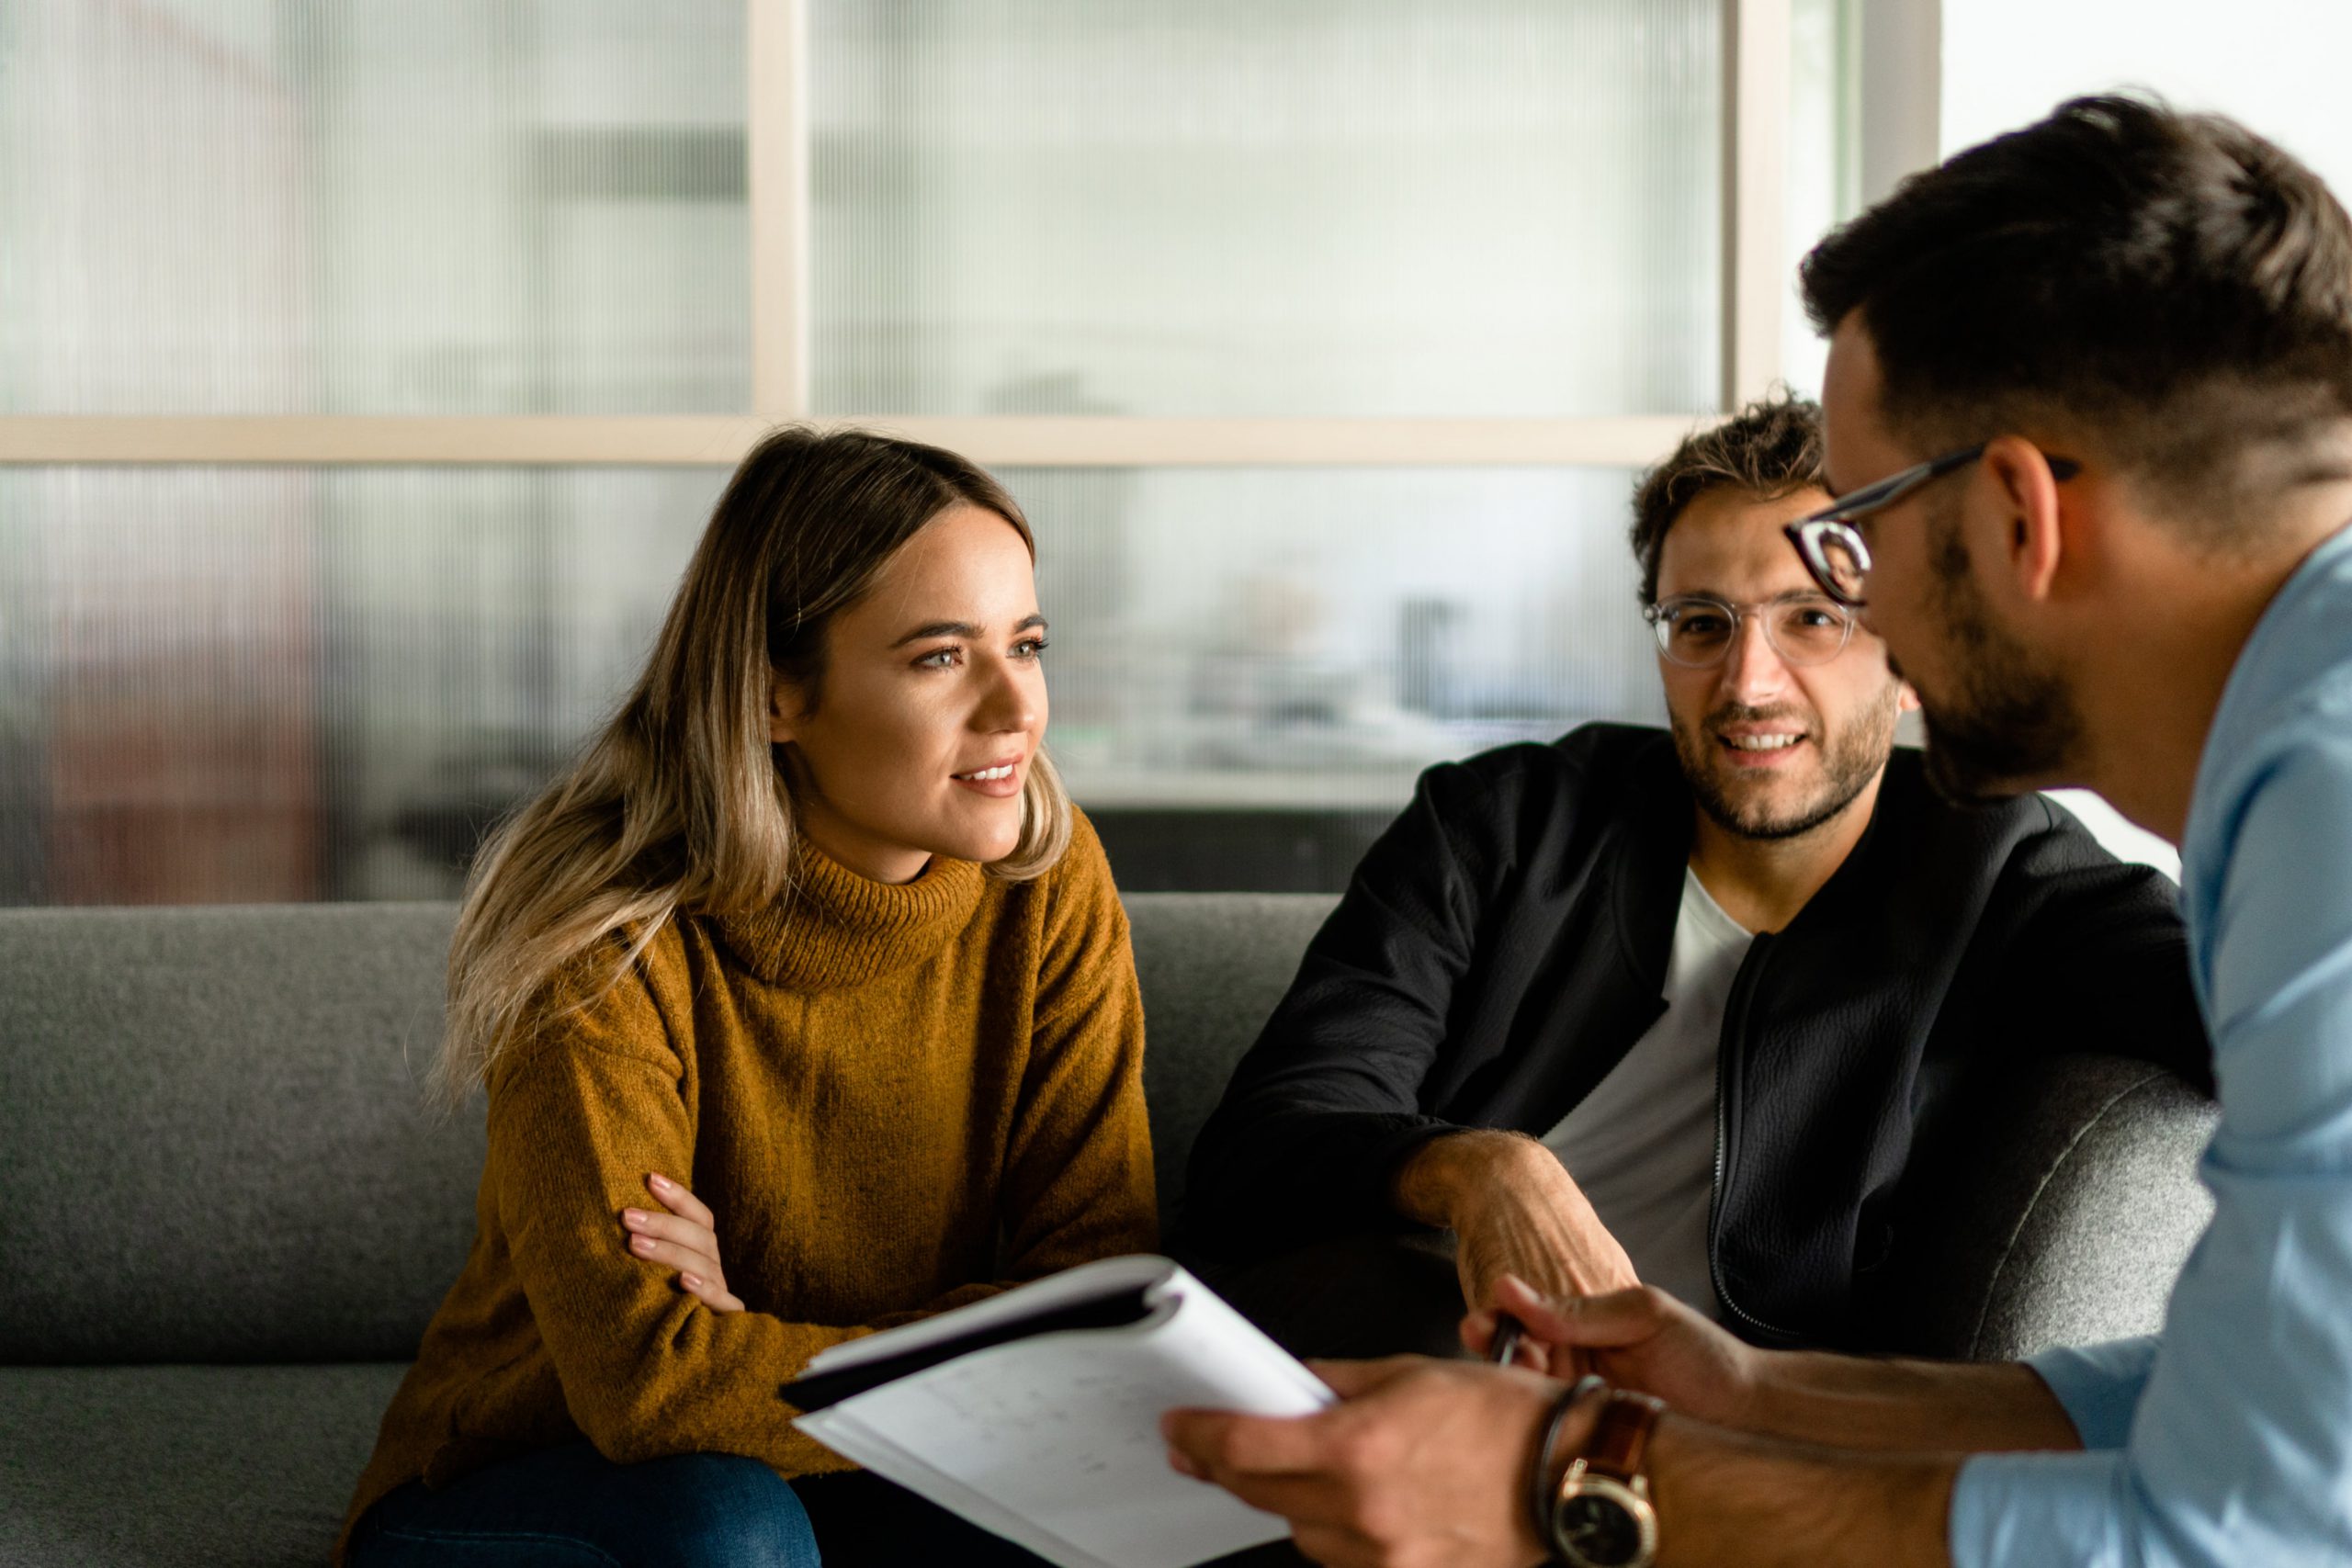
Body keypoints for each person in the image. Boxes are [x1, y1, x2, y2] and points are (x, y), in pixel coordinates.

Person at [1163, 94, 2352, 1568]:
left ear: (2017, 517)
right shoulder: (2299, 763)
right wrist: (1748, 1389)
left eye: (1850, 560)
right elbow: (2235, 1425)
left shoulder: (2314, 812)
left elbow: (2252, 1525)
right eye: (1704, 622)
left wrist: (1569, 1471)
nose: (1768, 671)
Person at [1178, 393, 2206, 1357]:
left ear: (1909, 660)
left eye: (1812, 618)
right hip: (1386, 1351)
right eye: (1701, 624)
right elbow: (1262, 1151)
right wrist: (1484, 1170)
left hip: (1708, 1440)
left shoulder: (1999, 869)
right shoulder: (1503, 822)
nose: (1747, 683)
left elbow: (2268, 1020)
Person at [339, 428, 1157, 1567]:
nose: (1015, 707)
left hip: (841, 1447)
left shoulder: (1047, 880)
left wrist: (750, 1344)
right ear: (777, 696)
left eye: (1027, 643)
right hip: (549, 1473)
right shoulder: (603, 934)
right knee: (731, 1530)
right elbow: (645, 1387)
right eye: (939, 658)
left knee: (1114, 1516)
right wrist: (977, 1343)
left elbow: (1098, 1304)